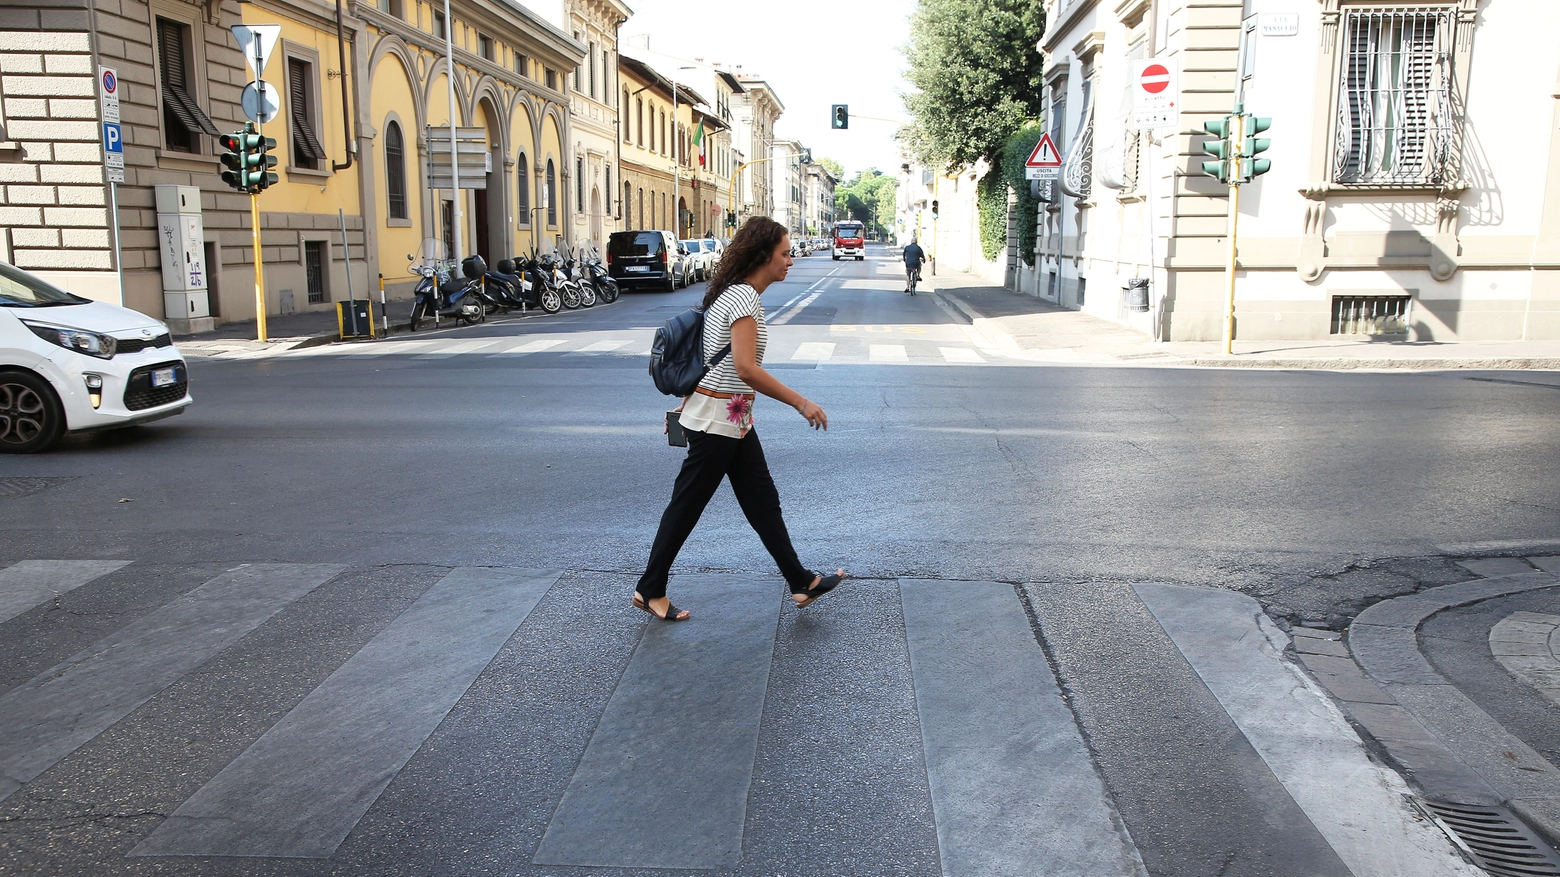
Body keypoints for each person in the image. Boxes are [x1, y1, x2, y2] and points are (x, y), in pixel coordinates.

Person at [634, 217, 848, 622]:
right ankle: (650, 589)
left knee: (761, 501)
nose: (790, 261)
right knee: (686, 507)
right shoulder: (744, 298)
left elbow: (712, 361)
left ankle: (800, 581)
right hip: (720, 422)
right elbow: (745, 369)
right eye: (785, 254)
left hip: (730, 418)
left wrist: (686, 403)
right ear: (764, 255)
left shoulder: (731, 294)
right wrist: (801, 403)